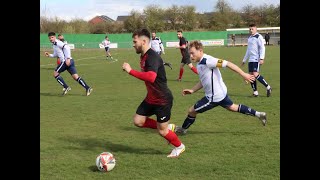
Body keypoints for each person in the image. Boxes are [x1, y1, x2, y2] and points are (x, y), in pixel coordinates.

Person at [175, 40, 267, 135]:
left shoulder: (208, 61)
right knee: (232, 107)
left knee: (191, 111)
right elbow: (204, 81)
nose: (190, 56)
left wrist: (244, 74)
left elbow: (228, 64)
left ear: (200, 51)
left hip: (214, 97)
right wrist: (192, 90)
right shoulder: (199, 64)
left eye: (192, 53)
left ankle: (183, 129)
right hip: (221, 93)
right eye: (189, 53)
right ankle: (259, 114)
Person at [122, 28, 185, 158]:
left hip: (162, 100)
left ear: (144, 41)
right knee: (138, 121)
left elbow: (151, 77)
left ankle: (179, 146)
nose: (133, 44)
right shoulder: (144, 56)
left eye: (135, 41)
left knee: (162, 132)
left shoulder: (152, 57)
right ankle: (168, 127)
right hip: (151, 98)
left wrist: (130, 71)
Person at [44, 32, 93, 96]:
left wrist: (68, 58)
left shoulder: (58, 42)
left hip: (66, 61)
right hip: (70, 61)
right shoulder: (54, 45)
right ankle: (87, 88)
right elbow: (56, 54)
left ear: (55, 37)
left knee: (55, 73)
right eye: (50, 38)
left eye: (52, 37)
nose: (51, 39)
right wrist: (49, 55)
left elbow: (67, 47)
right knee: (75, 77)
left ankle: (66, 87)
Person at [241, 24, 272, 97]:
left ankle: (268, 87)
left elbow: (262, 48)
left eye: (252, 29)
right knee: (251, 76)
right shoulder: (250, 38)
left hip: (256, 59)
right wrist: (244, 60)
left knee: (255, 74)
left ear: (256, 29)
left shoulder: (259, 37)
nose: (251, 30)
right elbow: (248, 50)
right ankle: (255, 92)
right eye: (250, 29)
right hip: (251, 60)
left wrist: (261, 58)